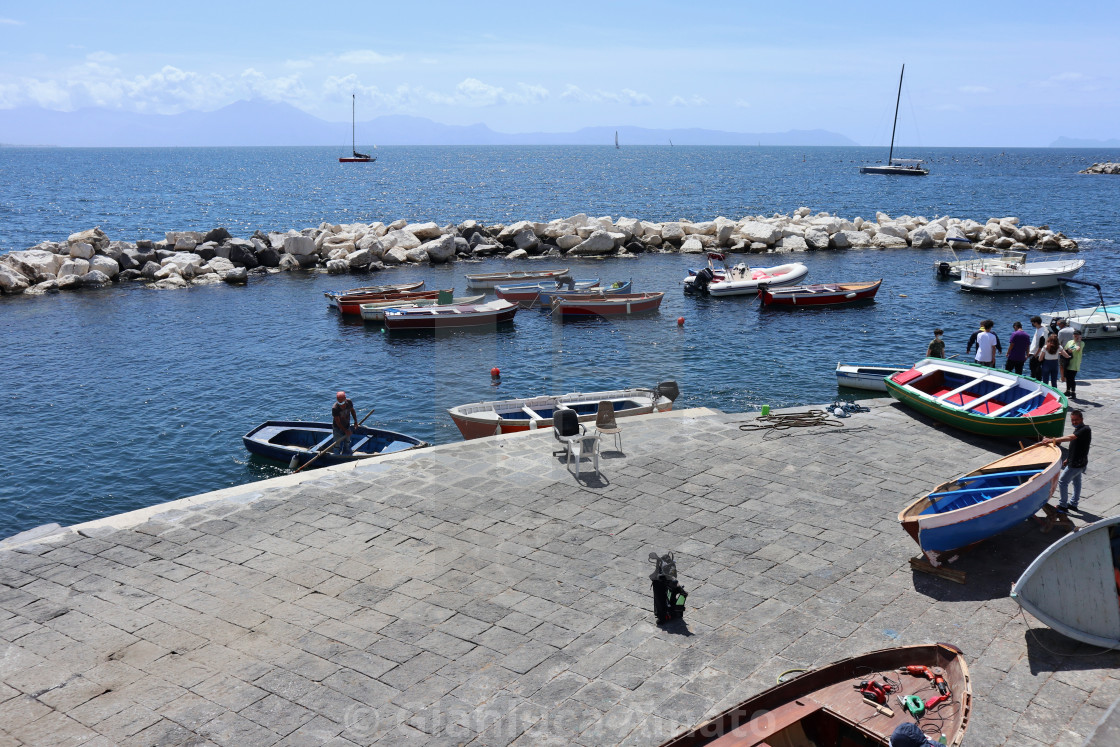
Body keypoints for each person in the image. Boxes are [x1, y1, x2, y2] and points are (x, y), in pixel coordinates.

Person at [1044, 409, 1091, 513]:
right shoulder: (1079, 429)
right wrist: (1067, 459)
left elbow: (1071, 438)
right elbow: (1076, 447)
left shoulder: (1085, 429)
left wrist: (1053, 440)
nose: (1074, 422)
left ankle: (1063, 505)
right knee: (1077, 482)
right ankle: (1074, 504)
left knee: (1062, 481)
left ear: (1082, 419)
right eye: (1073, 420)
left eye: (1076, 420)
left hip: (1076, 464)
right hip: (1078, 462)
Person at [331, 391, 358, 455]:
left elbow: (353, 411)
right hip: (337, 428)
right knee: (337, 443)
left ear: (345, 398)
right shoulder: (335, 408)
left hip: (346, 425)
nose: (340, 401)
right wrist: (345, 431)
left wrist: (355, 422)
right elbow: (338, 422)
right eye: (338, 400)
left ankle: (346, 453)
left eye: (341, 399)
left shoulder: (349, 402)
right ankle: (336, 456)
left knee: (347, 441)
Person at [1063, 329, 1085, 398]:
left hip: (1075, 363)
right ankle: (1068, 390)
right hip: (1068, 362)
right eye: (1074, 335)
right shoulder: (1069, 342)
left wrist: (1078, 341)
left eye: (1077, 336)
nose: (1075, 337)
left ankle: (1073, 392)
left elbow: (1078, 349)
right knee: (1067, 377)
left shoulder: (1081, 343)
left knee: (1072, 378)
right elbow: (1066, 349)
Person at [1027, 315, 1047, 380]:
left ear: (1035, 323)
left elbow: (1041, 345)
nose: (1032, 324)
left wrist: (1036, 354)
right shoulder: (1038, 329)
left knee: (1036, 369)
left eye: (1032, 322)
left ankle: (1037, 381)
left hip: (1037, 354)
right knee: (1032, 368)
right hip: (1033, 352)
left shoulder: (1042, 332)